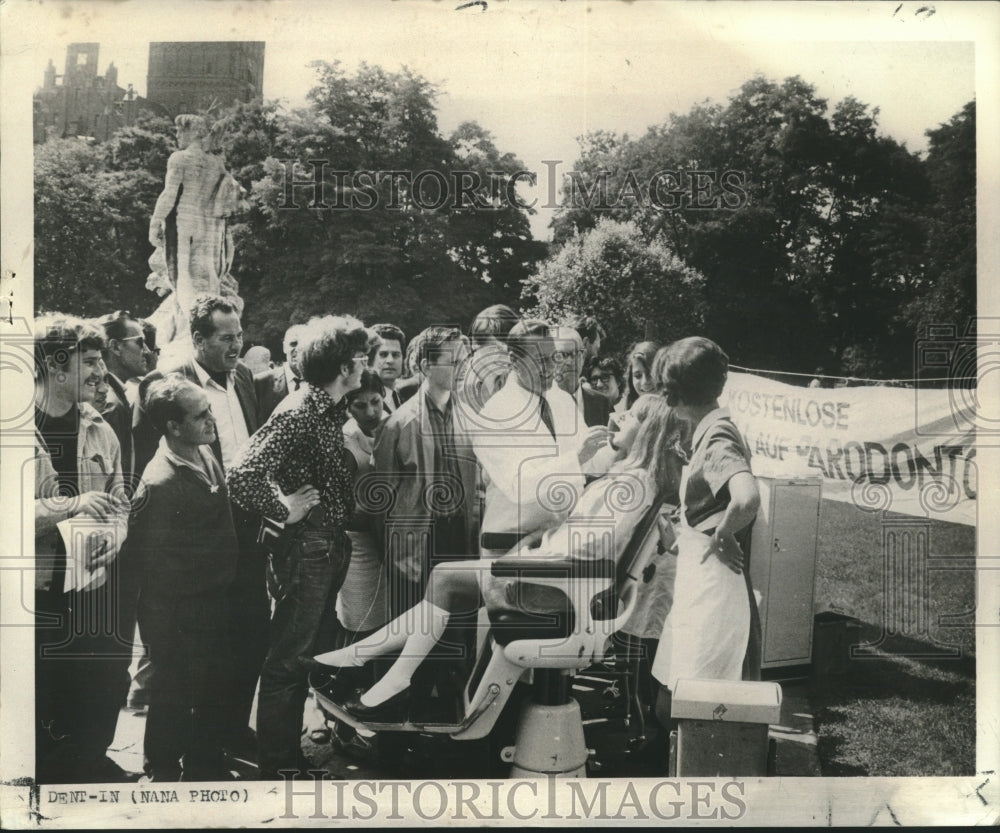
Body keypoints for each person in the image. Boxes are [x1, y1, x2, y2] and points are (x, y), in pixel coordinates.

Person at [313, 396, 681, 716]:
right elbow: (584, 539)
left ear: (649, 431)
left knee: (446, 578)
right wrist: (538, 542)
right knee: (446, 580)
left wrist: (531, 553)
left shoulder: (631, 484)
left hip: (560, 589)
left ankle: (385, 673)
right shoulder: (632, 478)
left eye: (633, 416)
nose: (620, 417)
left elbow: (590, 546)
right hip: (568, 582)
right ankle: (369, 661)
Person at [226, 314, 371, 780]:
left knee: (299, 659)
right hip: (309, 550)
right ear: (344, 366)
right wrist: (283, 509)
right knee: (287, 664)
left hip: (325, 548)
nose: (366, 365)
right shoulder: (300, 411)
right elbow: (242, 474)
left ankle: (287, 762)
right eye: (361, 357)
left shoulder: (326, 409)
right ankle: (279, 771)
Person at [133, 293, 264, 759]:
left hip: (244, 527)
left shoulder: (243, 377)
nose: (236, 345)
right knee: (193, 653)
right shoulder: (171, 386)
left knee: (249, 635)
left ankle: (229, 731)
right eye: (226, 338)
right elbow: (150, 461)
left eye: (240, 335)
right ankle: (181, 751)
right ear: (198, 339)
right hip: (194, 531)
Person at [33, 314, 134, 783]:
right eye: (90, 361)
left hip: (91, 585)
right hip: (36, 591)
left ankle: (91, 762)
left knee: (105, 680)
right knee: (43, 688)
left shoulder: (100, 428)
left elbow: (119, 500)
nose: (101, 371)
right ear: (55, 366)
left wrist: (115, 535)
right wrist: (69, 505)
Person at [128, 376, 238, 781]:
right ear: (173, 426)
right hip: (178, 612)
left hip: (214, 600)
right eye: (200, 415)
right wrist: (168, 626)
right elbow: (149, 563)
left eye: (210, 410)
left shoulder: (204, 451)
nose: (212, 420)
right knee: (173, 691)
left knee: (212, 687)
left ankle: (203, 763)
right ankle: (161, 768)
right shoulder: (160, 483)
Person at [649, 337, 763, 726]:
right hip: (699, 580)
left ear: (678, 393)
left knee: (696, 701)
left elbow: (747, 498)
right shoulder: (710, 428)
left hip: (713, 588)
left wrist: (723, 535)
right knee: (676, 693)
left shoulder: (717, 436)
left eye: (668, 391)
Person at [473, 320, 614, 559]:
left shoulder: (560, 398)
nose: (550, 368)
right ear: (514, 361)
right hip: (508, 545)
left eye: (553, 357)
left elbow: (590, 461)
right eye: (539, 360)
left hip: (556, 542)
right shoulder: (494, 416)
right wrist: (576, 458)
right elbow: (519, 486)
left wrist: (618, 445)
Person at [146, 114, 244, 352]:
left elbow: (169, 194)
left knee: (183, 278)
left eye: (180, 131)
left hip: (185, 220)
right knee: (209, 280)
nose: (177, 136)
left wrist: (155, 221)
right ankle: (207, 330)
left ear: (195, 133)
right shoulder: (216, 163)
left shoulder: (180, 158)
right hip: (211, 226)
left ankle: (190, 335)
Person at [339, 369, 389, 638]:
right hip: (359, 544)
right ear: (348, 407)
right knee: (361, 620)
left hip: (391, 542)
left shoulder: (394, 426)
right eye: (360, 405)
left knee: (392, 622)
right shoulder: (345, 441)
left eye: (375, 402)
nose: (370, 412)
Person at [553, 325, 612, 428]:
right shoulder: (540, 404)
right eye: (561, 355)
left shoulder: (602, 403)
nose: (570, 362)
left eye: (576, 354)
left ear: (583, 356)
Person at [464, 303, 520, 411]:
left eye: (510, 347)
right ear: (475, 344)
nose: (507, 355)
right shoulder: (457, 389)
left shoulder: (514, 380)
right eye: (497, 348)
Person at [255, 323, 306, 424]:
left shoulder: (321, 383)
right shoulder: (260, 383)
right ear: (284, 347)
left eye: (304, 344)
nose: (298, 349)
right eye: (293, 344)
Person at [369, 323, 412, 413]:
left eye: (395, 355)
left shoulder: (401, 397)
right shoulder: (364, 400)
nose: (390, 360)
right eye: (383, 354)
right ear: (370, 359)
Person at [623, 341, 660, 411]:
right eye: (638, 376)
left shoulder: (679, 414)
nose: (645, 381)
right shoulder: (627, 416)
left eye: (650, 374)